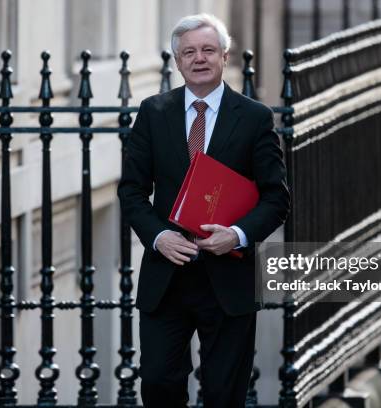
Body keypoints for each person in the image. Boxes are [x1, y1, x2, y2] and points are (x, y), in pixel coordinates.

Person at [117, 13, 289, 408]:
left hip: (229, 277)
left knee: (223, 394)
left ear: (224, 56)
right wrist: (159, 237)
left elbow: (276, 198)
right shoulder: (153, 112)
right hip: (167, 277)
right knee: (158, 384)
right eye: (189, 52)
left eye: (208, 50)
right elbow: (131, 191)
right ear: (177, 61)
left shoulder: (254, 117)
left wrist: (238, 234)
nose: (199, 58)